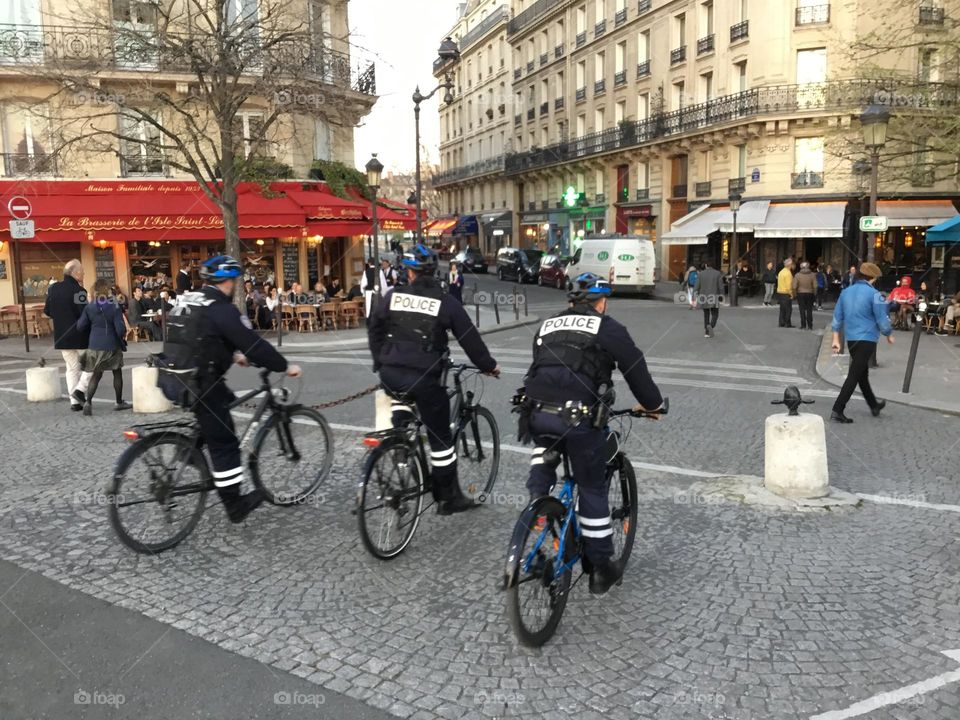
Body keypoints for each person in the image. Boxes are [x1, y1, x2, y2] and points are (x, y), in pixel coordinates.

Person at [522, 273, 664, 595]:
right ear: (601, 302)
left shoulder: (546, 326)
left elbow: (542, 370)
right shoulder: (608, 328)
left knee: (545, 443)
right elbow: (635, 369)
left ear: (570, 302)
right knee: (592, 485)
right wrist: (652, 404)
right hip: (579, 420)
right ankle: (600, 568)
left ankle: (537, 502)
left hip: (538, 413)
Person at [368, 244, 500, 515]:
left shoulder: (393, 295)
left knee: (401, 403)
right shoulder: (445, 301)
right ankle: (447, 497)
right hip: (426, 378)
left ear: (410, 273)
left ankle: (401, 448)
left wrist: (380, 360)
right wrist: (488, 366)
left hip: (391, 373)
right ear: (433, 271)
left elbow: (374, 327)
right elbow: (469, 339)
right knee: (441, 438)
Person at [174, 256, 301, 522]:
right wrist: (283, 365)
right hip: (202, 381)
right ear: (228, 281)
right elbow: (252, 343)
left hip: (176, 376)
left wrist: (231, 355)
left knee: (223, 404)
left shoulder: (189, 299)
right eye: (234, 281)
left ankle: (188, 449)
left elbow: (198, 336)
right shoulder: (222, 308)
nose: (235, 285)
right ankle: (235, 504)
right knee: (226, 442)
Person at [830, 262, 893, 423]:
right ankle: (838, 409)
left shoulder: (846, 292)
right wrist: (888, 333)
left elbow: (837, 317)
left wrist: (836, 338)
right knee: (854, 374)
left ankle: (873, 405)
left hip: (851, 339)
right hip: (868, 339)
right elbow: (882, 319)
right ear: (873, 278)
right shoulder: (875, 295)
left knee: (861, 373)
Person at [75, 279, 132, 415]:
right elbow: (119, 329)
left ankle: (88, 402)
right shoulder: (114, 305)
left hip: (95, 345)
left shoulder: (90, 307)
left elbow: (80, 326)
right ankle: (118, 402)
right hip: (111, 344)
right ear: (107, 290)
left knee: (96, 374)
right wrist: (123, 335)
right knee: (117, 372)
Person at [43, 259, 92, 412]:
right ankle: (80, 391)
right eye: (82, 271)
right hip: (80, 336)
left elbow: (47, 311)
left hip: (62, 336)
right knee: (92, 365)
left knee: (71, 369)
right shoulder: (79, 291)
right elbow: (84, 314)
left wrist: (61, 318)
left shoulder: (54, 289)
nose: (83, 273)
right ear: (75, 273)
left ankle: (74, 402)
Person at [694, 261, 722, 338]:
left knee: (706, 314)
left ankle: (706, 332)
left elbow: (696, 286)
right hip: (714, 296)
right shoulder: (718, 274)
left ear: (706, 265)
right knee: (715, 314)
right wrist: (721, 295)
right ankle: (711, 326)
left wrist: (695, 295)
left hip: (703, 296)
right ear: (713, 266)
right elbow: (721, 287)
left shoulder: (701, 274)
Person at [793, 261, 817, 330]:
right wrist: (814, 293)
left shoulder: (797, 275)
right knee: (809, 309)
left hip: (800, 293)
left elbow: (794, 286)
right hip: (810, 293)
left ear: (801, 267)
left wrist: (795, 294)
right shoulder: (813, 275)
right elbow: (815, 286)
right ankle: (810, 325)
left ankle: (803, 325)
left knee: (802, 309)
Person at [777, 258, 795, 328]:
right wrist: (791, 294)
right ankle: (787, 323)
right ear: (789, 265)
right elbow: (789, 285)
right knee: (788, 309)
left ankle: (781, 322)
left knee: (782, 309)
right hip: (786, 293)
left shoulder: (781, 272)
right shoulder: (788, 273)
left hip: (780, 292)